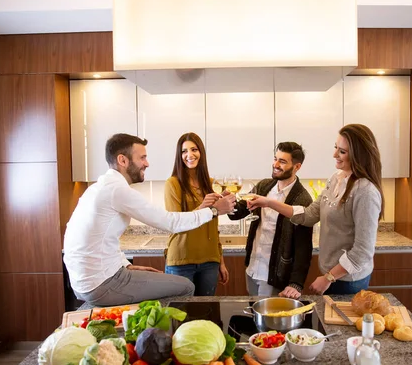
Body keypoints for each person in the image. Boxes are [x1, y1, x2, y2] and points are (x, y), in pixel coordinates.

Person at [63, 133, 236, 306]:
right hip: (102, 283)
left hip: (87, 282)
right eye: (142, 158)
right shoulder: (117, 190)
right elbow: (171, 223)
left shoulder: (100, 187)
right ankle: (166, 332)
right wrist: (213, 210)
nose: (147, 163)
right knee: (185, 287)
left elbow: (101, 241)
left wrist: (125, 265)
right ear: (123, 160)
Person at [248, 124, 384, 295]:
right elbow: (310, 214)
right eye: (336, 148)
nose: (335, 155)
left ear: (358, 155)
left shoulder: (365, 192)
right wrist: (269, 202)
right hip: (331, 274)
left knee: (337, 322)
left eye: (342, 152)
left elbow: (362, 252)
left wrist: (329, 278)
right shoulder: (335, 179)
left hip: (348, 280)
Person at [229, 142, 313, 298]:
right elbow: (237, 212)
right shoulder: (264, 186)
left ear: (297, 167)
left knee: (269, 320)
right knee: (254, 316)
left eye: (282, 161)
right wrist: (227, 199)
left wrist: (296, 283)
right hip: (252, 268)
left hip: (274, 274)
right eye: (275, 159)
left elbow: (304, 247)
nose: (275, 164)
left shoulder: (302, 198)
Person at [163, 132, 229, 296]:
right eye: (184, 151)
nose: (189, 155)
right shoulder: (173, 183)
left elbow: (214, 228)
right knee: (180, 317)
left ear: (201, 153)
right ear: (179, 156)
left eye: (194, 149)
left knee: (205, 315)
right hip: (181, 260)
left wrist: (220, 260)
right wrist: (203, 207)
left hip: (209, 261)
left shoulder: (211, 183)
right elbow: (176, 223)